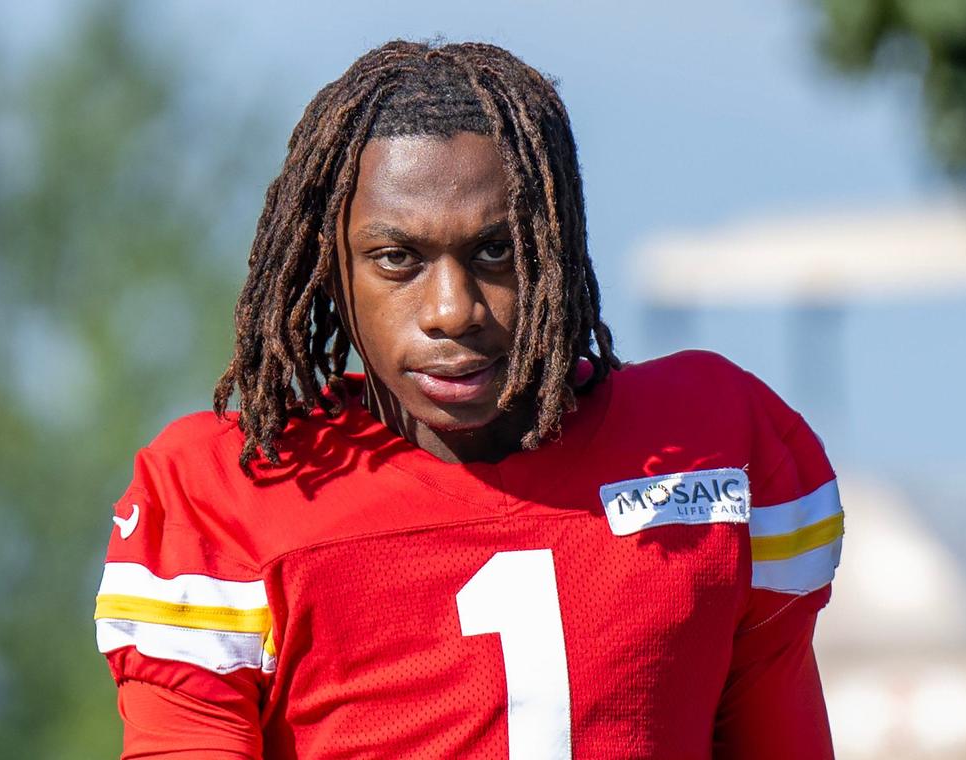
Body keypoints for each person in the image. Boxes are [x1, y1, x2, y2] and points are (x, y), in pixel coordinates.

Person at [93, 40, 843, 759]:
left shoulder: (711, 444)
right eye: (397, 259)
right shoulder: (227, 491)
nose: (452, 309)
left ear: (555, 244)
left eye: (495, 251)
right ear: (331, 268)